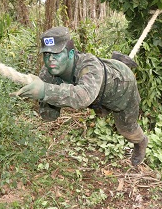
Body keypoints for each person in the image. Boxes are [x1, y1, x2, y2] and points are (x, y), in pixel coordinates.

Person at [13, 26, 148, 166]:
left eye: (57, 54)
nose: (50, 59)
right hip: (98, 96)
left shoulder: (89, 65)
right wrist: (43, 97)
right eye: (46, 54)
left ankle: (142, 142)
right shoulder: (48, 73)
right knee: (99, 99)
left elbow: (83, 97)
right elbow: (49, 116)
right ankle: (117, 61)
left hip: (122, 88)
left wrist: (45, 91)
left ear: (71, 54)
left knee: (126, 129)